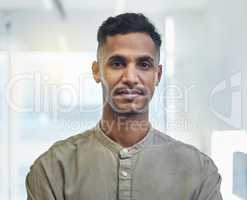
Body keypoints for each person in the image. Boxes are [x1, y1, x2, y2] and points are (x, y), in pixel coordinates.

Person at [26, 13, 223, 200]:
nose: (130, 78)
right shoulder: (52, 169)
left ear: (158, 75)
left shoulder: (200, 172)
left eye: (144, 64)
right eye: (118, 63)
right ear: (96, 71)